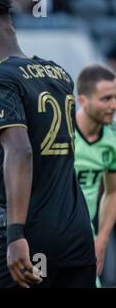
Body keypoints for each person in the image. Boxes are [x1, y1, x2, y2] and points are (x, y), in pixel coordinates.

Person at [0, 0, 95, 288]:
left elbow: (20, 150)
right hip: (76, 233)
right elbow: (8, 89)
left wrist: (16, 235)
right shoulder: (59, 74)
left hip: (27, 232)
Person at [74, 65, 116, 285]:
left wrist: (102, 238)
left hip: (84, 240)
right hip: (47, 238)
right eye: (106, 99)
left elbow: (113, 191)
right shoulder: (59, 134)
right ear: (83, 100)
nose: (113, 106)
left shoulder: (113, 138)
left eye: (115, 98)